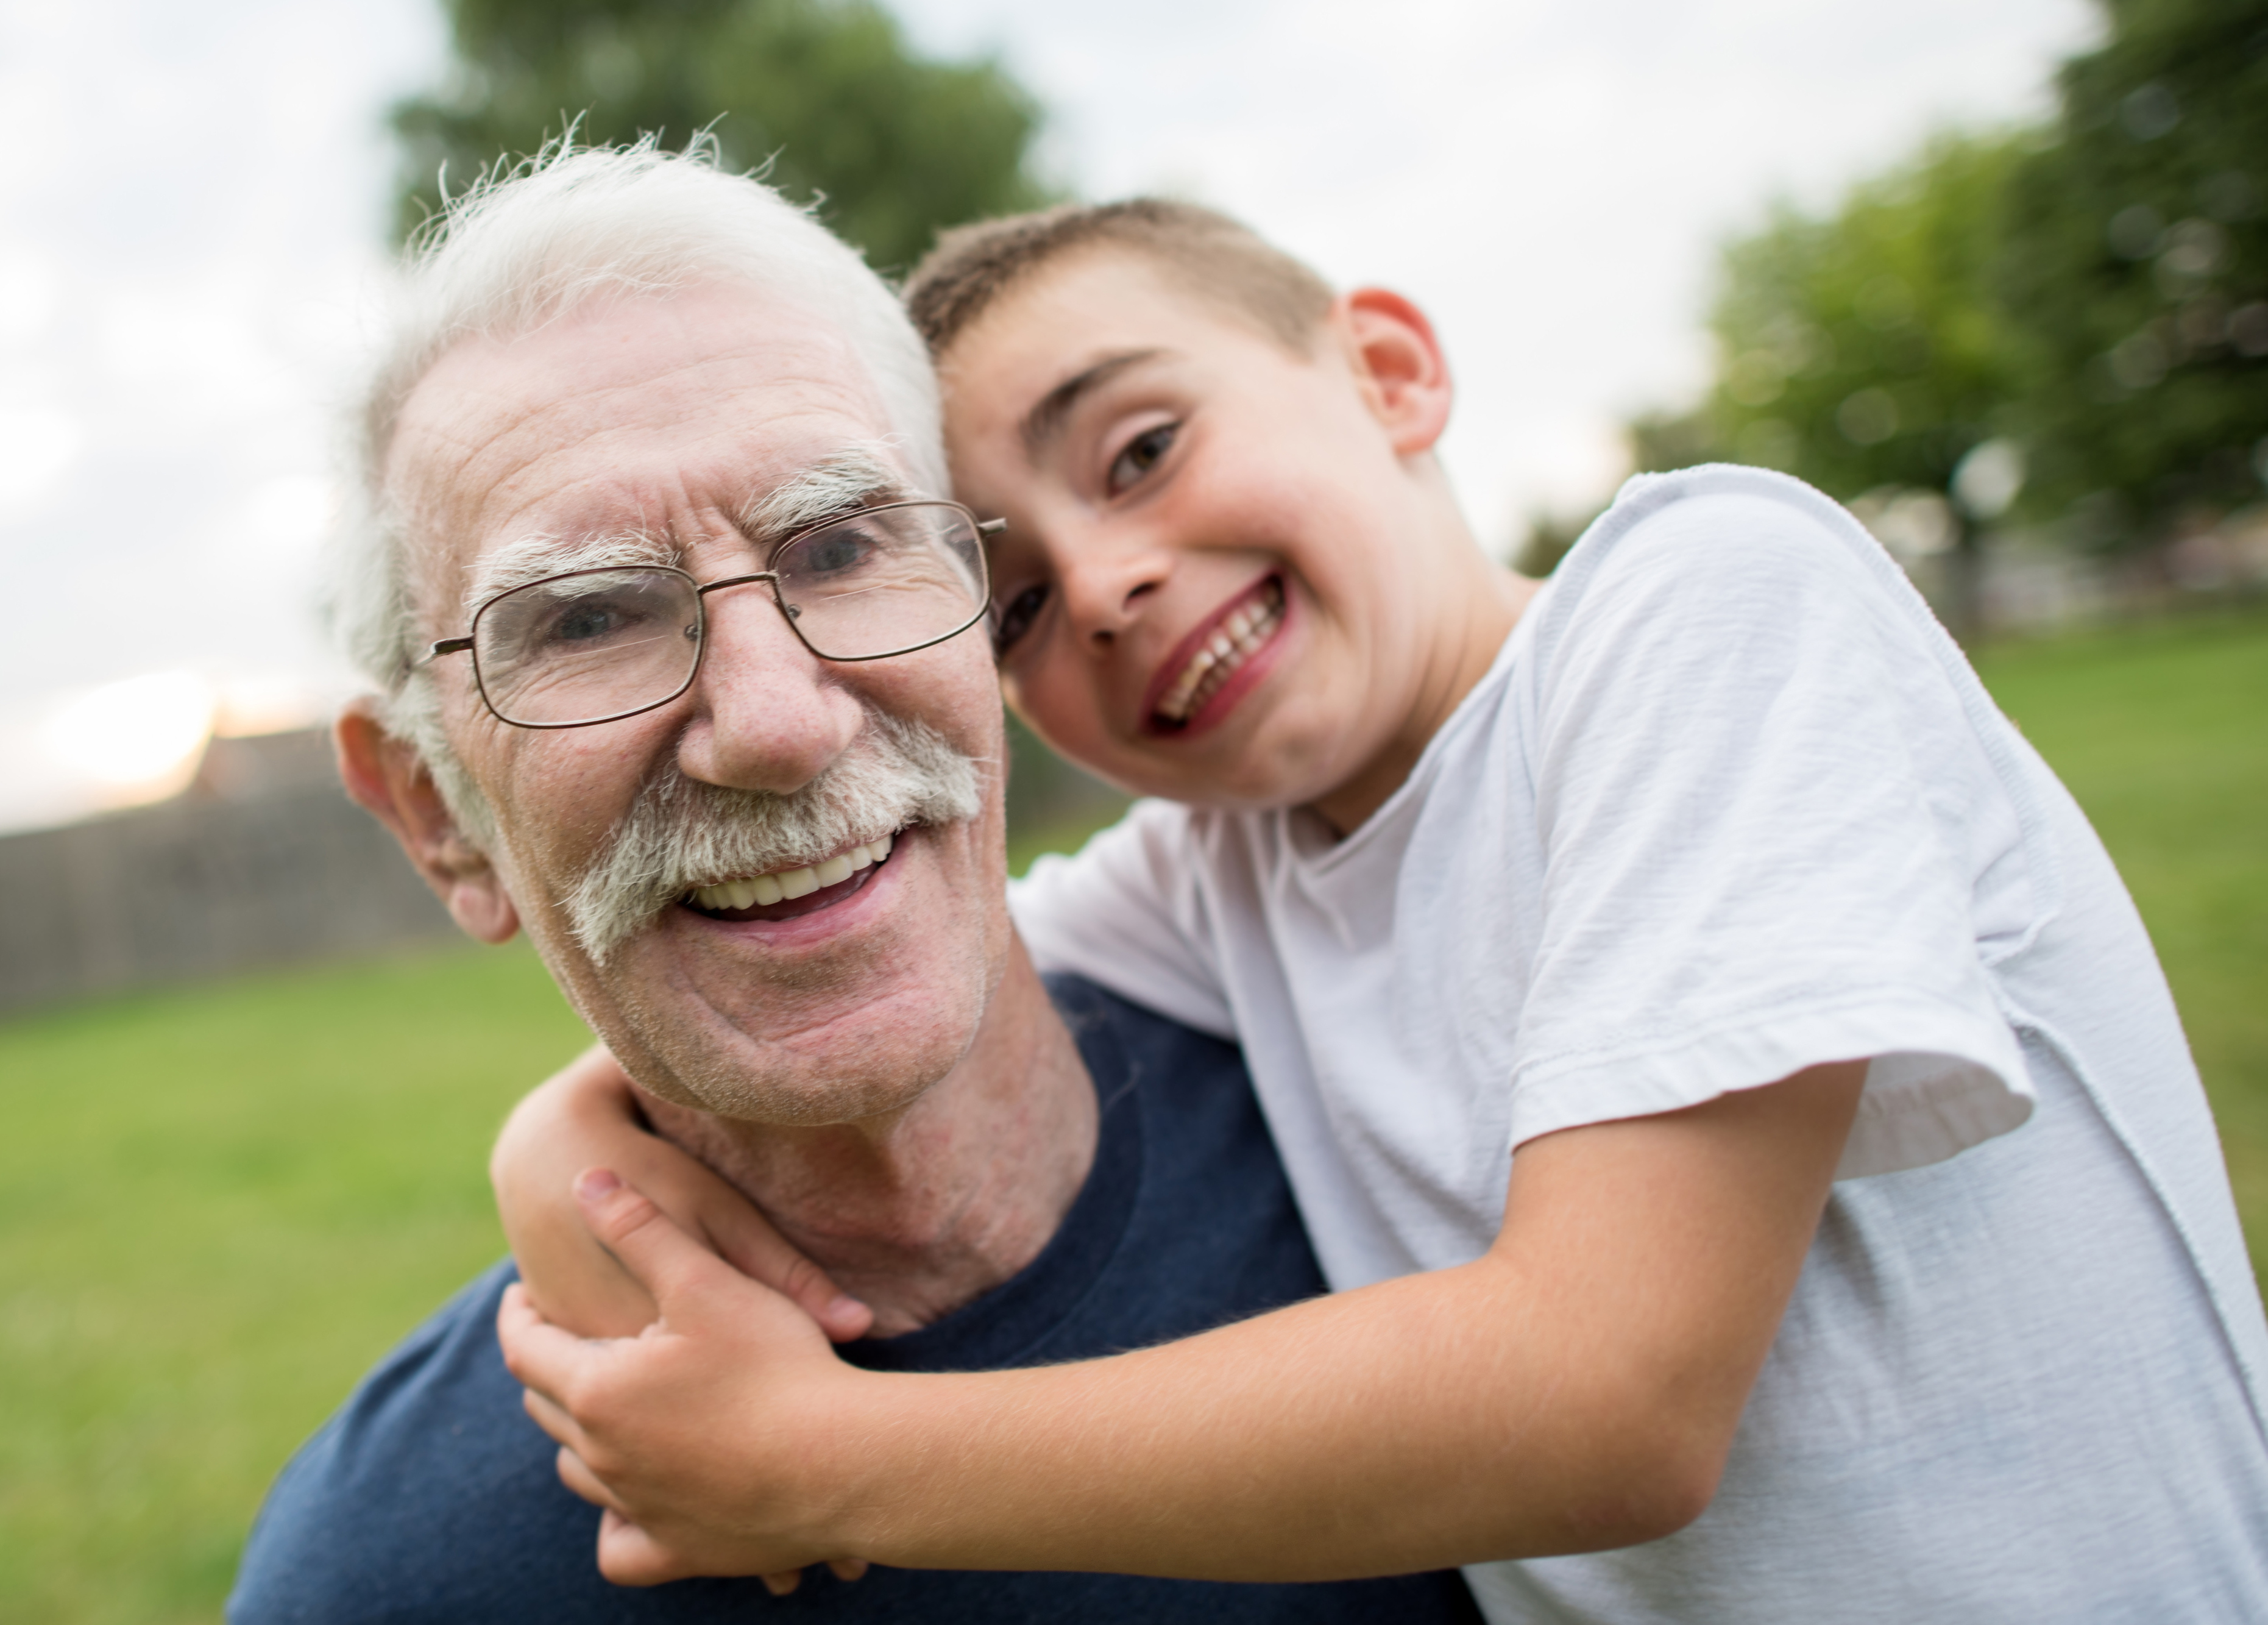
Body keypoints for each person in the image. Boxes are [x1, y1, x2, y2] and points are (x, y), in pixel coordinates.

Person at [496, 196, 2268, 1621]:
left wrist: (821, 1458)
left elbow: (1611, 1398)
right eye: (1011, 600)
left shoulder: (1705, 603)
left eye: (1138, 450)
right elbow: (876, 974)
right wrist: (557, 1150)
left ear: (1389, 372)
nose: (1104, 581)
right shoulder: (1229, 867)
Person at [223, 144, 1485, 1625]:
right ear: (437, 810)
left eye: (836, 546)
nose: (773, 720)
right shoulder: (389, 1589)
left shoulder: (1414, 1104)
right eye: (586, 619)